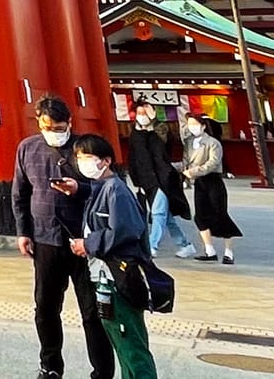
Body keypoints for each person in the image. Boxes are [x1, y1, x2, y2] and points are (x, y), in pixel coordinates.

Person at [13, 94, 114, 379]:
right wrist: (23, 231)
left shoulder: (84, 148)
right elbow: (19, 194)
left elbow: (106, 188)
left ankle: (102, 370)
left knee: (92, 311)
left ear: (69, 123)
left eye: (59, 128)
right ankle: (50, 366)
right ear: (39, 123)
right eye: (48, 127)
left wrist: (78, 189)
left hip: (84, 241)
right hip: (45, 239)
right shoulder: (27, 148)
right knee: (45, 307)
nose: (53, 133)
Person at [72, 136, 158, 379]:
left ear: (106, 161)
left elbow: (125, 230)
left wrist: (87, 244)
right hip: (104, 277)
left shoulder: (115, 189)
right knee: (122, 345)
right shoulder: (99, 188)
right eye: (79, 158)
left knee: (131, 346)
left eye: (87, 157)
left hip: (119, 276)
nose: (82, 163)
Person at [123, 105, 194, 255]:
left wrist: (154, 120)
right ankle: (185, 244)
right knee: (166, 217)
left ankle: (152, 246)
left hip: (163, 178)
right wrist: (137, 181)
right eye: (139, 112)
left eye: (145, 112)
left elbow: (165, 142)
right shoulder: (135, 135)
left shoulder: (160, 130)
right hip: (146, 180)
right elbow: (133, 160)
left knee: (157, 213)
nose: (142, 115)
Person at [182, 115, 242, 263]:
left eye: (195, 124)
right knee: (200, 216)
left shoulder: (213, 142)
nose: (192, 127)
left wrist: (194, 171)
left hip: (213, 180)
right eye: (189, 124)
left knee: (220, 214)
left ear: (203, 126)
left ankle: (229, 252)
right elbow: (185, 160)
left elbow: (213, 163)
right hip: (199, 183)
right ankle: (209, 250)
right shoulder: (189, 142)